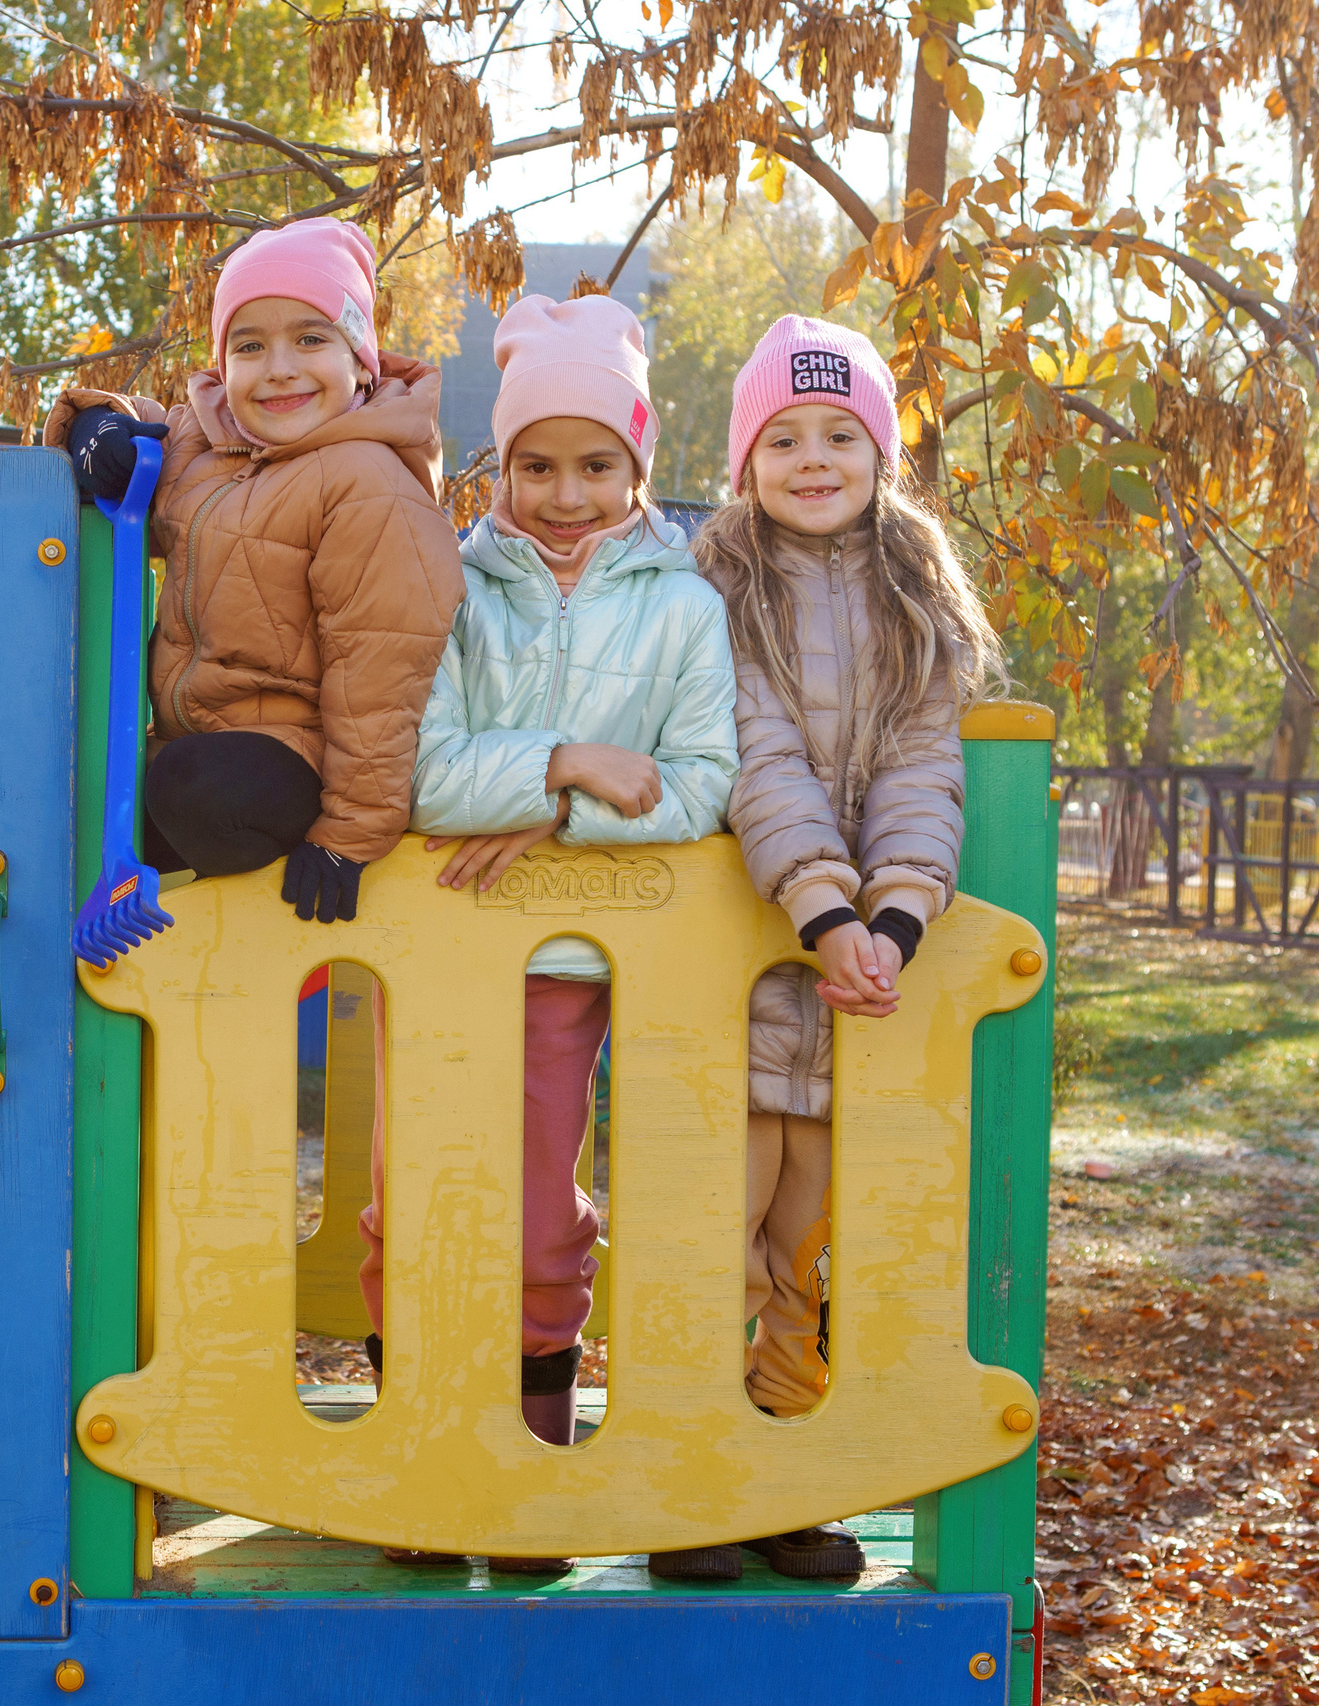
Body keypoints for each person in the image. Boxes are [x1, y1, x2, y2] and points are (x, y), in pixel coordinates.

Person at [372, 293, 737, 1575]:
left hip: (580, 967)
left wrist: (544, 807)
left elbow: (696, 788)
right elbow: (420, 774)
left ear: (638, 465)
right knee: (407, 1196)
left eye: (596, 464)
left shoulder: (685, 608)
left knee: (536, 1205)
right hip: (443, 945)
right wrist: (578, 764)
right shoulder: (456, 586)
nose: (566, 492)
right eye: (537, 463)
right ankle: (419, 1446)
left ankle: (528, 1448)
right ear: (499, 466)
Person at [663, 314, 1006, 1584]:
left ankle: (785, 1477)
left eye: (840, 435)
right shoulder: (717, 591)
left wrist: (899, 915)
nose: (813, 458)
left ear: (881, 452)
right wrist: (826, 912)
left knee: (808, 1251)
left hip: (861, 989)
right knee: (714, 1239)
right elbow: (758, 763)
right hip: (747, 974)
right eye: (785, 436)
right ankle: (691, 1478)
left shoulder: (915, 598)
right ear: (747, 456)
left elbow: (924, 766)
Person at [51, 217, 464, 921]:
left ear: (362, 361)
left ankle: (237, 915)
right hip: (190, 742)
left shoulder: (367, 479)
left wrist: (351, 835)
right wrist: (94, 429)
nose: (279, 367)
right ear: (222, 366)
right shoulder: (202, 444)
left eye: (310, 338)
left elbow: (383, 672)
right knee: (68, 801)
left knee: (189, 788)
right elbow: (141, 421)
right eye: (250, 346)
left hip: (298, 759)